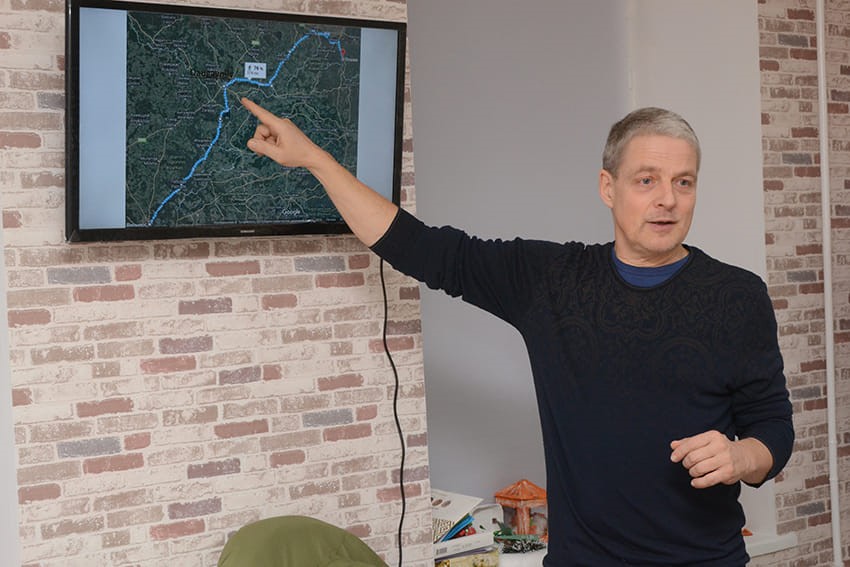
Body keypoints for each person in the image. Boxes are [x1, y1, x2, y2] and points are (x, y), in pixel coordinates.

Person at [241, 98, 794, 566]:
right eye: (646, 180)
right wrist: (314, 159)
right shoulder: (551, 280)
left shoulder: (737, 296)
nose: (666, 199)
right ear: (608, 187)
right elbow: (419, 247)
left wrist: (740, 456)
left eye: (683, 182)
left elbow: (773, 429)